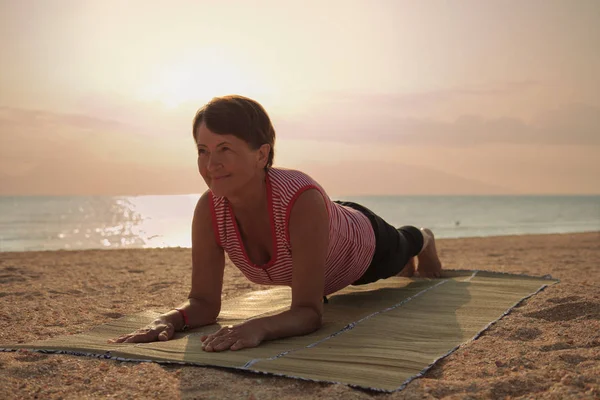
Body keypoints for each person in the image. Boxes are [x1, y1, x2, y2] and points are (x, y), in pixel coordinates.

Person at [110, 95, 443, 352]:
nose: (211, 164)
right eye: (202, 150)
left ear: (261, 155)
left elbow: (308, 312)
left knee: (403, 247)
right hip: (322, 228)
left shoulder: (302, 200)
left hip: (363, 244)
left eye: (225, 148)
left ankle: (424, 238)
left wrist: (257, 327)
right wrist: (170, 319)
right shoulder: (208, 210)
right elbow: (204, 304)